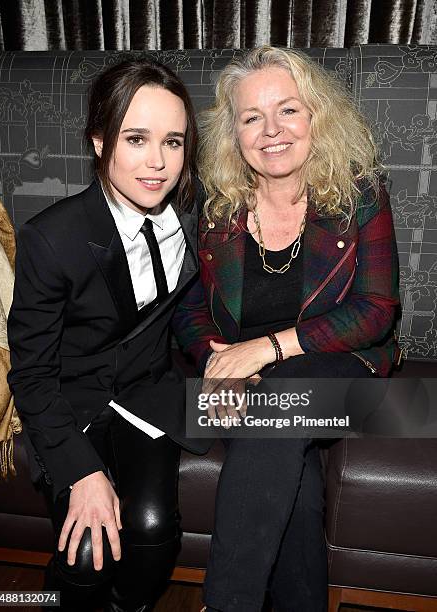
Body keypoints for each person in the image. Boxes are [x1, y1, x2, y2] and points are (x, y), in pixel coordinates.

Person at [173, 46, 400, 612]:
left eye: (288, 111)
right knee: (289, 471)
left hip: (348, 369)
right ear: (234, 132)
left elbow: (376, 311)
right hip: (253, 384)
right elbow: (188, 309)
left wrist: (265, 351)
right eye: (252, 117)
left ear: (317, 116)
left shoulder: (359, 192)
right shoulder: (218, 204)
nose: (271, 130)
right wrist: (218, 362)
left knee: (280, 398)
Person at [7, 58, 206, 612]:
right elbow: (31, 373)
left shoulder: (191, 213)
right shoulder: (53, 239)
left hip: (146, 390)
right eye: (136, 138)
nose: (158, 163)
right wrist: (82, 471)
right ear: (99, 141)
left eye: (173, 142)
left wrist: (218, 357)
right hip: (71, 404)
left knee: (151, 532)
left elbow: (190, 305)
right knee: (89, 549)